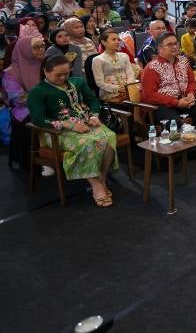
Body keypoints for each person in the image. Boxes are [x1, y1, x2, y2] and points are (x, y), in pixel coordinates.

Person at [29, 55, 118, 207]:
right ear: (45, 71)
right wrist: (67, 125)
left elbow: (93, 101)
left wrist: (94, 115)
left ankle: (101, 179)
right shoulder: (37, 92)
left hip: (87, 123)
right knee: (88, 143)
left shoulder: (78, 82)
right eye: (58, 74)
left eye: (66, 73)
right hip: (57, 132)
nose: (63, 77)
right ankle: (95, 185)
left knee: (109, 137)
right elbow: (38, 119)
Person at [140, 32, 196, 133]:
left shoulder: (183, 61)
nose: (174, 47)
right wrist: (176, 103)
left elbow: (191, 82)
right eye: (169, 44)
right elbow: (149, 95)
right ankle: (186, 140)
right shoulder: (151, 67)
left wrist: (191, 93)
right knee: (174, 122)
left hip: (185, 100)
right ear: (160, 48)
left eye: (176, 43)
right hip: (162, 106)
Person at [3, 35, 46, 171]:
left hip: (46, 103)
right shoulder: (11, 72)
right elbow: (18, 98)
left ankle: (57, 158)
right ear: (25, 50)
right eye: (36, 47)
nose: (41, 50)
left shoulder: (45, 65)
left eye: (42, 46)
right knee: (33, 120)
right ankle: (34, 163)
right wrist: (45, 100)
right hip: (24, 108)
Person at [91, 31, 137, 103]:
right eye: (113, 39)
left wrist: (127, 87)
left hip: (128, 89)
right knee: (132, 101)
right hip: (109, 92)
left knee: (142, 97)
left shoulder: (124, 56)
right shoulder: (97, 60)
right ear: (103, 42)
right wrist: (118, 89)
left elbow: (130, 74)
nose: (117, 42)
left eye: (118, 39)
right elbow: (99, 82)